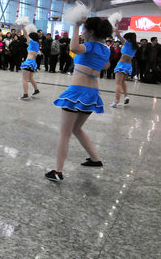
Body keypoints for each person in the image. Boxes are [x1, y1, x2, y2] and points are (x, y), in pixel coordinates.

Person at [46, 17, 113, 182]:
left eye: (84, 29)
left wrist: (75, 25)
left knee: (65, 133)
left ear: (90, 31)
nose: (82, 32)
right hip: (92, 93)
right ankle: (95, 159)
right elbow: (106, 66)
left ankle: (58, 171)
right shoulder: (106, 49)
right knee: (77, 129)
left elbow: (74, 47)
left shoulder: (89, 46)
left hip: (77, 93)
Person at [111, 31, 138, 107]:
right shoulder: (135, 46)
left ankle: (117, 101)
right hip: (129, 65)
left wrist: (116, 28)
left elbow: (118, 35)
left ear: (128, 38)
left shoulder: (127, 44)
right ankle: (126, 96)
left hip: (121, 65)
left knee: (118, 83)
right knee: (122, 82)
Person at [19, 25, 40, 100]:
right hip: (33, 63)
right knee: (30, 78)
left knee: (24, 79)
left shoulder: (33, 43)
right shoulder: (36, 44)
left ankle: (25, 94)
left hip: (29, 62)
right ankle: (36, 89)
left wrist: (23, 27)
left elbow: (25, 34)